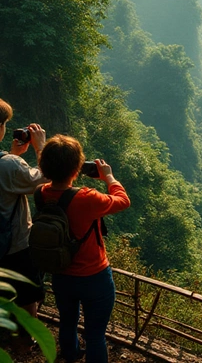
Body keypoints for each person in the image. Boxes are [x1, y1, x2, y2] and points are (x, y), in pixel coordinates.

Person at [38, 135, 130, 363]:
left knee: (67, 323)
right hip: (94, 276)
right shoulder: (86, 198)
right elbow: (123, 200)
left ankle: (70, 356)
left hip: (60, 272)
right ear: (77, 169)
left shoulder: (40, 193)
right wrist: (108, 176)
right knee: (95, 334)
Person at [0, 98, 48, 322]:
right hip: (14, 248)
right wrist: (41, 148)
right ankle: (25, 343)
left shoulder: (8, 163)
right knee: (27, 296)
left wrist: (13, 155)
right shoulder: (9, 165)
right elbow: (46, 180)